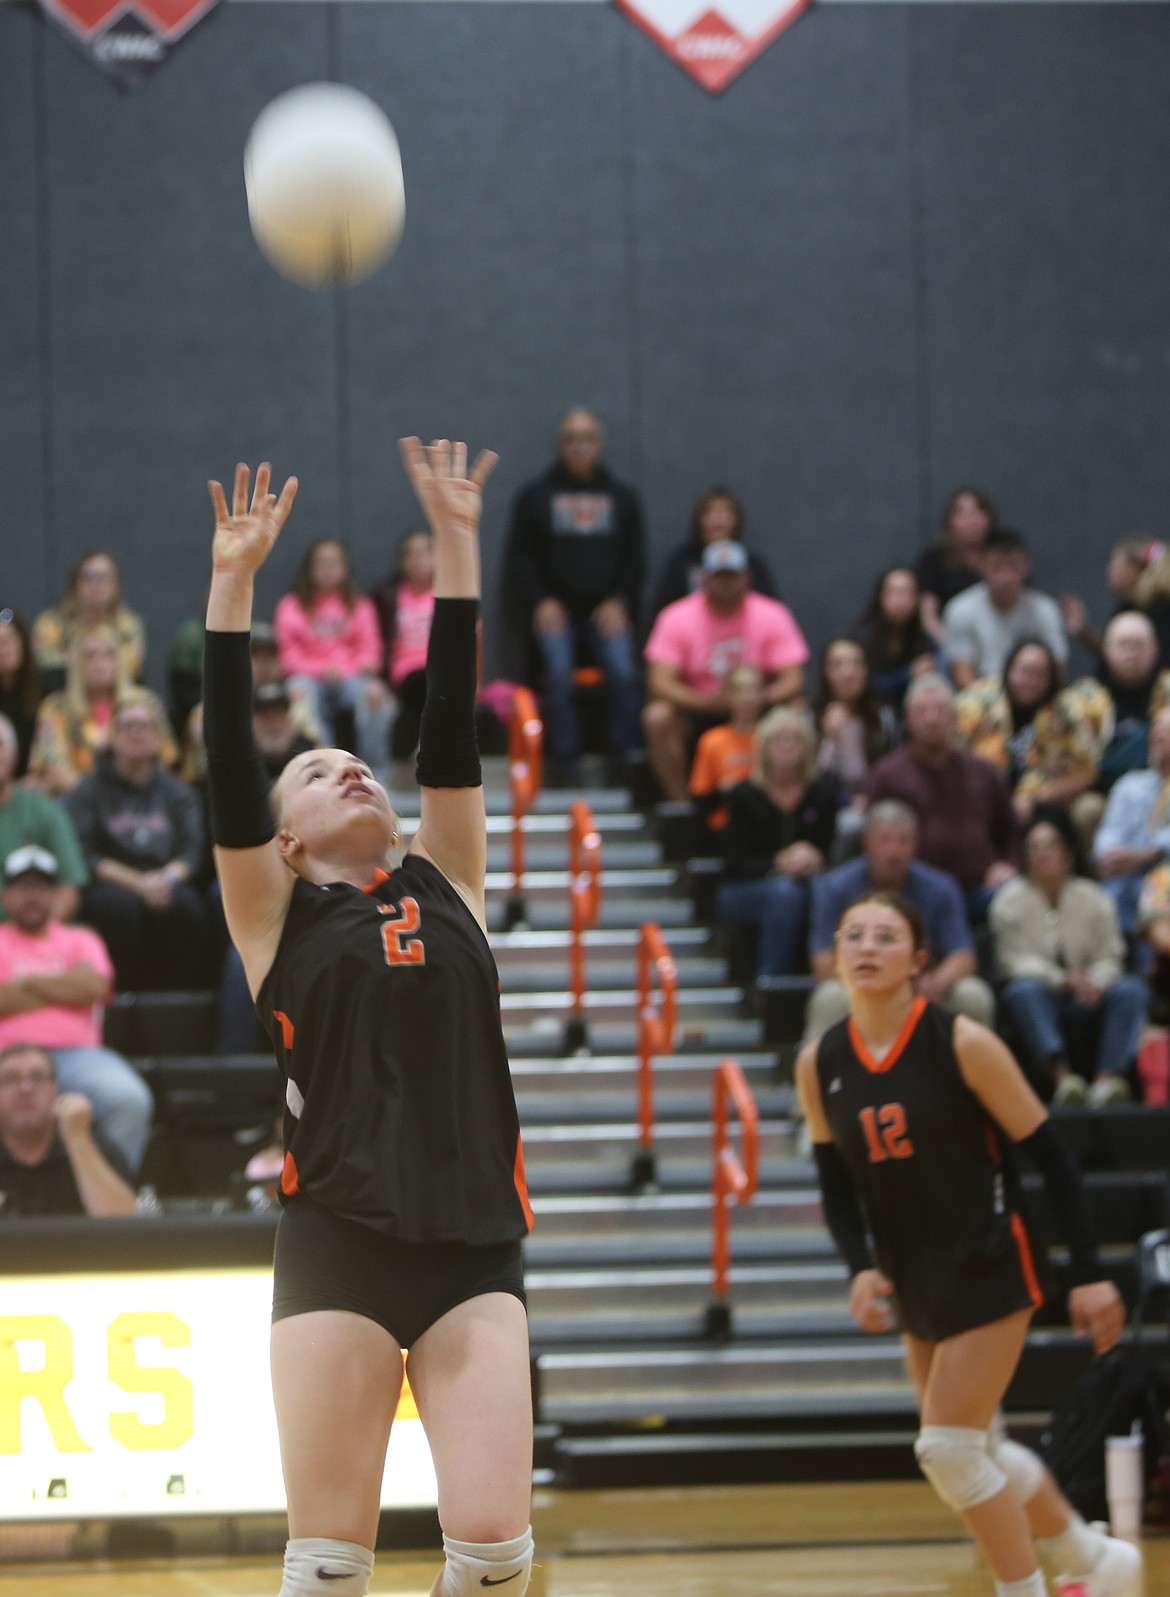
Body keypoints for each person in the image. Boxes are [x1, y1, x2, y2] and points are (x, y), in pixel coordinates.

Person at [203, 444, 534, 1597]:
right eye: (316, 772)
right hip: (337, 1234)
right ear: (284, 838)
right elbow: (229, 773)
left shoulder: (449, 875)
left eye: (355, 763)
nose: (348, 772)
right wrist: (233, 586)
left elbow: (449, 724)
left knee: (494, 1556)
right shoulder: (272, 916)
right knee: (333, 1563)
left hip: (474, 1237)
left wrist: (455, 543)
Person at [796, 892, 1138, 1597]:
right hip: (913, 1272)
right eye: (852, 933)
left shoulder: (962, 1041)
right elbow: (835, 1185)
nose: (865, 946)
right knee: (979, 1449)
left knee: (948, 1450)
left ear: (920, 960)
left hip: (989, 1257)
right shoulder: (819, 1061)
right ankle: (1097, 1562)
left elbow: (1055, 1157)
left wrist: (1089, 1272)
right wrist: (860, 1267)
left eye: (886, 936)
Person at [502, 409, 644, 781]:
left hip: (605, 610)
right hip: (556, 610)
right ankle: (564, 764)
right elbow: (519, 558)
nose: (580, 446)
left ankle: (624, 761)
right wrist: (541, 600)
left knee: (625, 672)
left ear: (600, 444)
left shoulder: (622, 497)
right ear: (560, 445)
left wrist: (620, 601)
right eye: (572, 438)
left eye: (588, 438)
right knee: (558, 674)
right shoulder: (536, 496)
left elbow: (636, 558)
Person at [0, 845, 151, 1172]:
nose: (32, 896)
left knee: (129, 1099)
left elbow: (95, 987)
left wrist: (22, 984)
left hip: (76, 1057)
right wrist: (65, 985)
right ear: (5, 895)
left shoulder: (81, 938)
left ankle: (108, 1202)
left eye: (41, 887)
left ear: (54, 895)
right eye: (22, 887)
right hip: (5, 1056)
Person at [991, 810, 1147, 1107]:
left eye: (1051, 846)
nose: (1043, 855)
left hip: (1091, 994)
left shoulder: (1095, 898)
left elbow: (1111, 955)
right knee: (1023, 990)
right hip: (1044, 994)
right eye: (1034, 847)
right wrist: (1062, 980)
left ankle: (1107, 1082)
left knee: (1131, 990)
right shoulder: (1008, 901)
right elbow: (1012, 960)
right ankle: (1063, 1081)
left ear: (1069, 853)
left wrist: (1096, 983)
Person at [804, 801, 994, 1040]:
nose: (893, 851)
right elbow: (823, 963)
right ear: (867, 844)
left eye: (902, 842)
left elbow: (963, 957)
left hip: (922, 986)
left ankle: (979, 1074)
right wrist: (874, 984)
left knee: (972, 993)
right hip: (860, 984)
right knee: (830, 996)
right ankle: (816, 1075)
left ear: (915, 846)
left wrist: (935, 982)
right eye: (884, 841)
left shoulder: (941, 888)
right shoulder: (835, 888)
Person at [642, 541, 809, 801]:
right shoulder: (675, 616)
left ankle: (791, 800)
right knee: (657, 716)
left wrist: (757, 698)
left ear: (747, 577)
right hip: (699, 707)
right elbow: (659, 682)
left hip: (759, 707)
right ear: (702, 578)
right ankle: (684, 806)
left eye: (732, 576)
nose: (725, 583)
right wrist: (703, 702)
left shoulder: (773, 614)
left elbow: (794, 679)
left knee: (799, 711)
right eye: (718, 576)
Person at [66, 692, 208, 990]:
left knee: (187, 906)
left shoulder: (178, 791)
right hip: (114, 883)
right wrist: (138, 883)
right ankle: (117, 997)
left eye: (144, 726)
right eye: (128, 726)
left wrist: (164, 880)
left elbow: (192, 851)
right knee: (116, 907)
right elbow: (85, 854)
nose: (136, 733)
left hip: (167, 880)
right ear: (112, 737)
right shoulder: (88, 790)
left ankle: (182, 1002)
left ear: (158, 738)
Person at [866, 674, 1018, 922]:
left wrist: (1008, 864)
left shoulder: (983, 771)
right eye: (922, 711)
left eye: (940, 710)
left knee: (1015, 898)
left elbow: (1011, 830)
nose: (932, 718)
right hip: (913, 894)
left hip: (980, 890)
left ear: (955, 719)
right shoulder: (886, 775)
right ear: (908, 720)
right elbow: (872, 838)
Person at [715, 708, 839, 979]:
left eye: (795, 738)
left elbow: (829, 851)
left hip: (808, 883)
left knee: (827, 888)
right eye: (779, 738)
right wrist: (777, 863)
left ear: (807, 746)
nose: (788, 745)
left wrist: (815, 860)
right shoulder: (744, 795)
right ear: (764, 748)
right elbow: (734, 866)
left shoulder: (823, 792)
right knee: (785, 892)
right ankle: (771, 984)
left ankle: (832, 979)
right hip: (747, 888)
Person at [954, 639, 1112, 848]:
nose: (1031, 681)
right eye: (1025, 671)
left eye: (1040, 674)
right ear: (1009, 671)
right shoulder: (977, 703)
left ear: (1051, 679)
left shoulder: (1068, 712)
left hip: (1039, 804)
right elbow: (951, 756)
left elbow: (1086, 774)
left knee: (1061, 817)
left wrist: (1035, 799)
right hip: (981, 797)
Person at [274, 538, 395, 778]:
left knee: (376, 695)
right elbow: (287, 657)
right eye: (321, 563)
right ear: (310, 568)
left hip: (350, 678)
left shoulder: (360, 605)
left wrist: (353, 668)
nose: (328, 569)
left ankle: (375, 773)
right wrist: (322, 670)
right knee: (298, 694)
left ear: (345, 567)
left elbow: (371, 652)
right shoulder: (291, 605)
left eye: (334, 563)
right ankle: (325, 769)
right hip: (308, 679)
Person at [28, 624, 175, 797]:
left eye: (108, 655)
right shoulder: (56, 707)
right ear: (76, 663)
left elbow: (163, 760)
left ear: (119, 661)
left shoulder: (145, 703)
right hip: (75, 804)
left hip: (139, 801)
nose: (100, 664)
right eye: (90, 656)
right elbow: (53, 767)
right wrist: (99, 801)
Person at [0, 1043, 137, 1218]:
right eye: (11, 1079)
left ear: (57, 1089)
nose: (26, 1089)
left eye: (38, 1077)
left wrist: (78, 1139)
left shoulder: (94, 1146)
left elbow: (125, 1227)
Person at [942, 531, 1068, 689]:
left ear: (1026, 566)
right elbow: (963, 676)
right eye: (997, 567)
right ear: (982, 566)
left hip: (1033, 693)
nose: (1006, 577)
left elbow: (1057, 669)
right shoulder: (960, 609)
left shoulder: (1045, 609)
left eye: (1013, 567)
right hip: (981, 696)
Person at [646, 485, 778, 625]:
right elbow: (663, 612)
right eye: (711, 513)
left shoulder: (751, 563)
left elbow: (771, 611)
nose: (718, 522)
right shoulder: (681, 563)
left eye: (725, 513)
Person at [0, 715, 87, 925]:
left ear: (14, 754)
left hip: (32, 941)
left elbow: (70, 887)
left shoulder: (44, 810)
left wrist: (35, 940)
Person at [1092, 705, 1170, 938]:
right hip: (1125, 875)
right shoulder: (1130, 785)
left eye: (1167, 733)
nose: (1160, 738)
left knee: (1157, 887)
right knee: (1106, 894)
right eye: (1156, 733)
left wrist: (1151, 853)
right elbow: (1109, 833)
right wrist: (1109, 854)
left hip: (1163, 877)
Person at [32, 549, 146, 693]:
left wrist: (75, 660)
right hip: (62, 694)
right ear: (75, 585)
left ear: (116, 586)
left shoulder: (128, 624)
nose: (96, 586)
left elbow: (130, 667)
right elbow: (49, 667)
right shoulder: (51, 623)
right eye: (88, 578)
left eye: (104, 578)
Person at [812, 637, 897, 807]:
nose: (848, 674)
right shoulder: (809, 719)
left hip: (875, 806)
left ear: (866, 671)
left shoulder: (884, 719)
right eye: (838, 665)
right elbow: (811, 785)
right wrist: (830, 740)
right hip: (826, 808)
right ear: (825, 673)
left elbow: (893, 775)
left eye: (856, 664)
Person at [1092, 610, 1170, 790]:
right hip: (1097, 788)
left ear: (1156, 648)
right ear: (1106, 648)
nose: (1132, 653)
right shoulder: (1078, 699)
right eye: (1124, 645)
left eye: (1140, 645)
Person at [688, 662, 765, 833]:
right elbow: (700, 796)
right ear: (727, 695)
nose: (747, 697)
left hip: (767, 826)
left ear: (762, 693)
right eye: (739, 690)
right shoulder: (712, 740)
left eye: (753, 689)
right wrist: (724, 790)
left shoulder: (774, 736)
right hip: (724, 827)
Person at [852, 566, 938, 715]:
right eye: (896, 593)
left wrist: (931, 620)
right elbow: (864, 687)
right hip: (872, 712)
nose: (901, 600)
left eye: (908, 593)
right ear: (881, 597)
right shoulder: (863, 638)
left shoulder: (923, 637)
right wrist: (908, 674)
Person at [914, 487, 997, 642]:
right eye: (964, 514)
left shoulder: (1003, 554)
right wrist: (952, 645)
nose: (971, 521)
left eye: (977, 513)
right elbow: (927, 615)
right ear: (950, 521)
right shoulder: (934, 559)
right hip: (947, 639)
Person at [1059, 534, 1153, 657]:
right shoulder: (1124, 609)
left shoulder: (1158, 612)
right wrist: (1083, 631)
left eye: (1114, 562)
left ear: (1134, 570)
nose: (1109, 569)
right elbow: (1113, 656)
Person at [0, 609, 42, 779]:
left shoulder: (46, 689)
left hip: (35, 782)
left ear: (24, 643)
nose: (4, 648)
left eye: (9, 640)